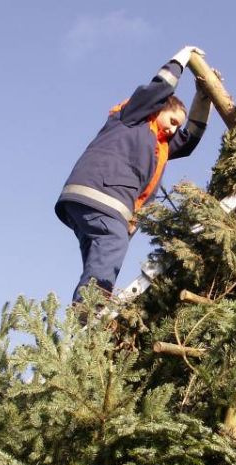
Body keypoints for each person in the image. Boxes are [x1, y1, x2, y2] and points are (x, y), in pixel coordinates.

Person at [55, 46, 212, 305]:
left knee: (100, 260)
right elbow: (159, 87)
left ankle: (88, 317)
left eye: (177, 126)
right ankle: (88, 312)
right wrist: (181, 58)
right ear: (158, 109)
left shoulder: (159, 145)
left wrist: (203, 98)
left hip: (94, 202)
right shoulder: (134, 117)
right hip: (101, 193)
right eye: (172, 120)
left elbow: (190, 140)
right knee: (112, 242)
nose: (174, 130)